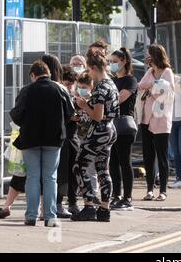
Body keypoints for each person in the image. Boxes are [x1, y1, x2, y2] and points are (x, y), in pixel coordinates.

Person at [10, 60, 74, 227]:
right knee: (50, 178)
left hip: (30, 139)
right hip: (53, 139)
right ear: (49, 74)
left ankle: (31, 216)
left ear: (33, 75)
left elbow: (16, 115)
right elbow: (70, 112)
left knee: (32, 177)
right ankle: (50, 217)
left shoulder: (26, 90)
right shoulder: (60, 89)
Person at [71, 49, 119, 222]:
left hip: (98, 130)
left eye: (89, 70)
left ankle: (89, 205)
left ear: (93, 67)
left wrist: (84, 106)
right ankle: (104, 210)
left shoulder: (100, 88)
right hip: (110, 129)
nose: (88, 74)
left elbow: (97, 115)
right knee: (102, 169)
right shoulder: (112, 84)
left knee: (79, 165)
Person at [138, 44, 175, 202]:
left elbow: (166, 93)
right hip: (146, 118)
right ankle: (149, 190)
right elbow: (140, 86)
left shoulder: (167, 72)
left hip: (161, 119)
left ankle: (163, 191)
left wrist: (151, 87)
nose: (147, 57)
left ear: (155, 56)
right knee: (148, 156)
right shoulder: (150, 72)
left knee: (162, 156)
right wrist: (153, 87)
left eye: (149, 55)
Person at [109, 48, 138, 210]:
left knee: (124, 162)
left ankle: (127, 197)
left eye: (115, 61)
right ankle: (116, 195)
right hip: (111, 125)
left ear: (124, 61)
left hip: (124, 125)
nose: (112, 65)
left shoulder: (130, 80)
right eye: (110, 62)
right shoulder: (112, 80)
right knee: (112, 162)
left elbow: (119, 99)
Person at [56, 65, 81, 218]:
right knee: (62, 174)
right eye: (67, 83)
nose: (70, 86)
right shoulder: (59, 94)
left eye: (72, 83)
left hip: (73, 137)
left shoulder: (75, 96)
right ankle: (58, 203)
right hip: (62, 138)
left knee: (74, 172)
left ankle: (73, 203)